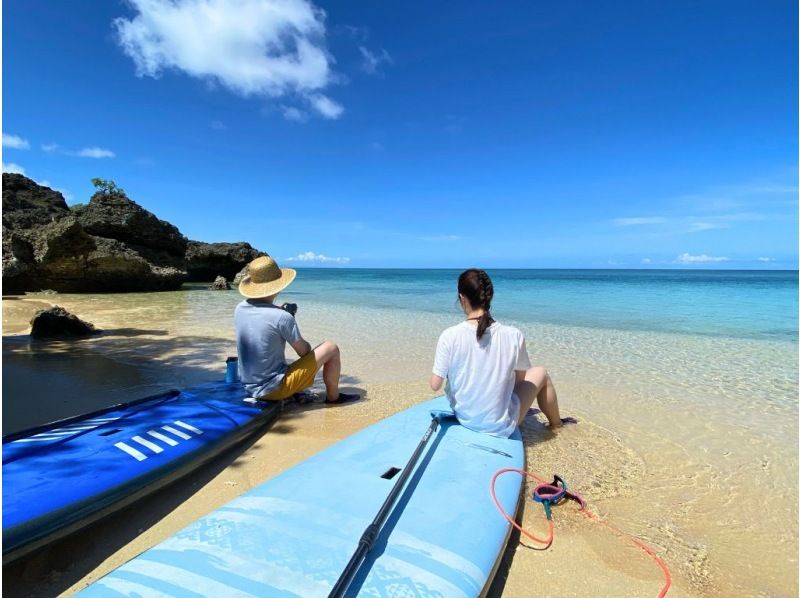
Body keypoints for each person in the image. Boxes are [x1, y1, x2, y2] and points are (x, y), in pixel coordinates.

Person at [430, 268, 565, 437]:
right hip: (500, 426)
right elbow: (521, 380)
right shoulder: (513, 335)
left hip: (465, 418)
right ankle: (557, 425)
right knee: (541, 372)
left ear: (461, 298)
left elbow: (435, 385)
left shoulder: (449, 335)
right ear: (490, 297)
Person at [234, 256, 358, 404]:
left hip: (248, 385)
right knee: (331, 347)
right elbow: (304, 352)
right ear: (279, 285)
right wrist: (289, 319)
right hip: (272, 390)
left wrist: (281, 314)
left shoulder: (240, 308)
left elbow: (262, 318)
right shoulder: (282, 318)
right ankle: (333, 397)